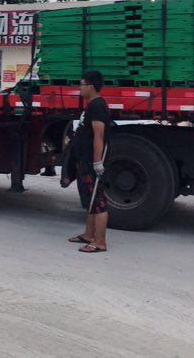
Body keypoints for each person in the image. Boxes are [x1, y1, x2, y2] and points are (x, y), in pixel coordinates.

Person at [67, 70, 111, 253]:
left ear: (91, 86)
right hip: (84, 160)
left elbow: (99, 136)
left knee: (98, 201)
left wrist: (97, 162)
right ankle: (88, 234)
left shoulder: (98, 106)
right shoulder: (91, 105)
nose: (80, 87)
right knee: (90, 199)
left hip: (91, 162)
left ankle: (100, 242)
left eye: (82, 84)